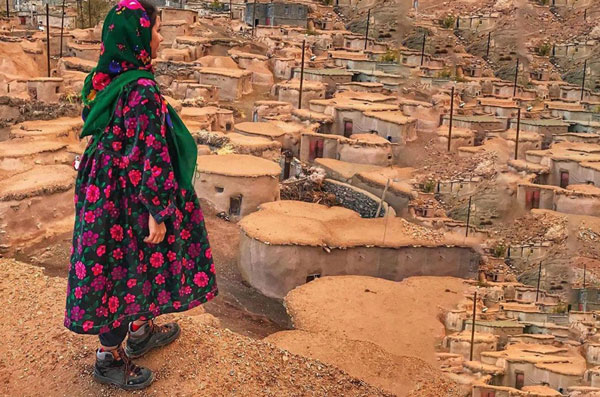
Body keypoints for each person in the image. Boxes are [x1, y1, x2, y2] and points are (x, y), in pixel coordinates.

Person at [64, 0, 218, 390]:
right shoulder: (142, 89)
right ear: (137, 36)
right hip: (128, 193)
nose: (162, 37)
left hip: (106, 188)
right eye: (157, 29)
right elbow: (151, 152)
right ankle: (109, 357)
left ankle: (140, 327)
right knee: (122, 266)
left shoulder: (106, 79)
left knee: (135, 259)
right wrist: (159, 209)